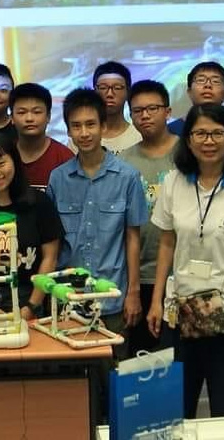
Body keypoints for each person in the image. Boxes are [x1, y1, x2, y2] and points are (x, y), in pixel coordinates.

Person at [147, 104, 224, 418]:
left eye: (217, 133)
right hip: (181, 310)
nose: (209, 141)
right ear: (187, 140)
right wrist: (155, 301)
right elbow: (166, 244)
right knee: (178, 410)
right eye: (201, 133)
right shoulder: (175, 182)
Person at [47, 88, 147, 356]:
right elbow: (54, 243)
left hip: (112, 297)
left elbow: (133, 237)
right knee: (73, 382)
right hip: (69, 300)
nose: (84, 133)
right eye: (76, 126)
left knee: (115, 378)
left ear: (103, 125)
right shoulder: (57, 179)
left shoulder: (127, 177)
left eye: (91, 124)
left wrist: (133, 293)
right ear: (68, 131)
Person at [0, 134, 64, 320]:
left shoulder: (39, 202)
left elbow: (50, 259)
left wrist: (31, 307)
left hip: (30, 294)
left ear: (15, 160)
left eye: (1, 163)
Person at [119, 80, 179, 354]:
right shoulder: (124, 162)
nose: (144, 115)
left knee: (181, 362)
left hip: (182, 275)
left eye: (152, 108)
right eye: (137, 110)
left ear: (167, 111)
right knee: (143, 361)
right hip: (140, 275)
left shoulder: (188, 154)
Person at [167, 61, 224, 150]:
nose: (208, 85)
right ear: (189, 92)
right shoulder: (170, 131)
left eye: (216, 81)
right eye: (201, 80)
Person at [11, 82, 74, 190]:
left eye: (37, 112)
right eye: (22, 112)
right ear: (11, 118)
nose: (29, 118)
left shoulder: (64, 158)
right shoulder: (3, 154)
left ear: (48, 116)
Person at [91, 60, 141, 154]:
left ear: (128, 92)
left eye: (117, 88)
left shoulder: (139, 136)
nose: (109, 94)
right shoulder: (83, 137)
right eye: (103, 88)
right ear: (94, 92)